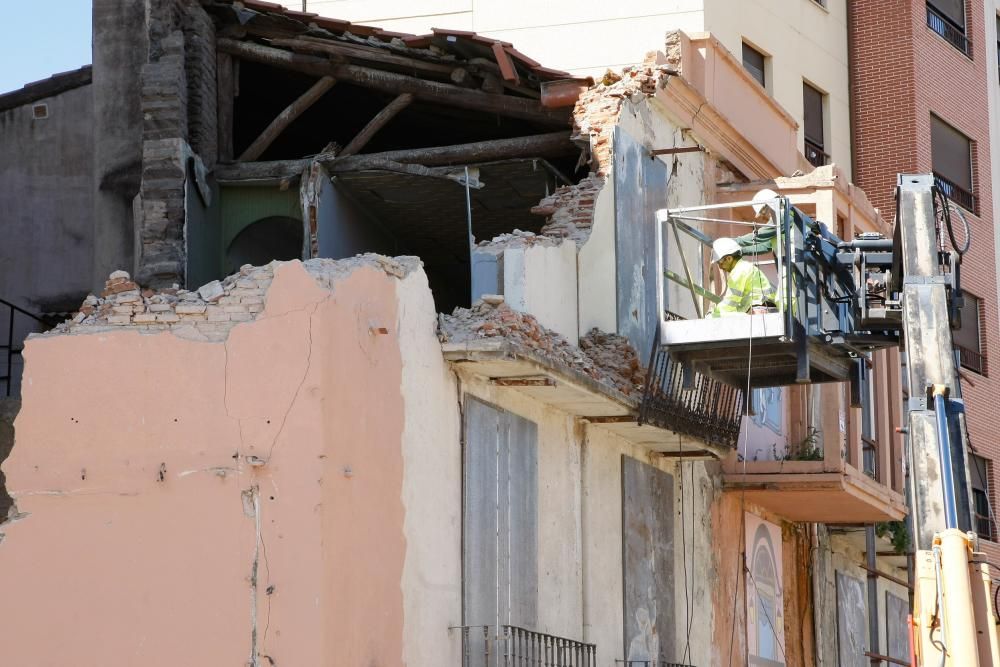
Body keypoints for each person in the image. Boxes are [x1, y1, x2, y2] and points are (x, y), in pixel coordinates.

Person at [709, 237, 776, 317]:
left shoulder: (739, 271)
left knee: (721, 316)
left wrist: (714, 314)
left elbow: (730, 303)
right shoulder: (745, 267)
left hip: (758, 311)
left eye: (720, 263)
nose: (720, 267)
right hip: (764, 309)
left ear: (729, 258)